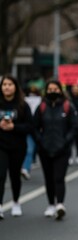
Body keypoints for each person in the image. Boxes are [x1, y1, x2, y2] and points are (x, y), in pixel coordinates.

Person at [33, 80, 78, 220]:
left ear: (60, 90)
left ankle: (60, 204)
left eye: (55, 89)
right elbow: (34, 126)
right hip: (45, 149)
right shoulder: (41, 107)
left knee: (58, 177)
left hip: (62, 150)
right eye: (50, 89)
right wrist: (40, 141)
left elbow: (75, 126)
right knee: (48, 178)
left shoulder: (67, 107)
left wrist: (66, 142)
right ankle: (50, 204)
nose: (53, 91)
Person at [0, 75, 33, 219]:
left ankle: (16, 202)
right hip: (1, 146)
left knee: (15, 176)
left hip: (18, 146)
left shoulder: (23, 105)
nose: (7, 87)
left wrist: (14, 127)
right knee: (0, 175)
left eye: (10, 84)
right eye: (4, 84)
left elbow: (30, 126)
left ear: (15, 87)